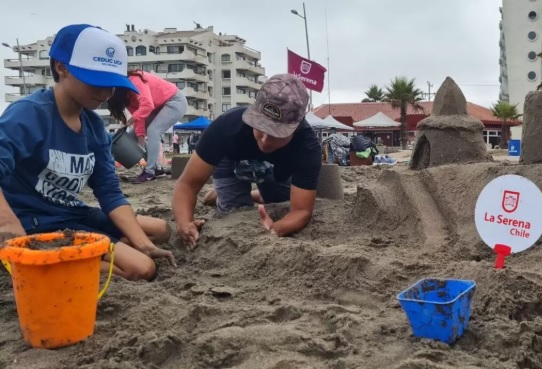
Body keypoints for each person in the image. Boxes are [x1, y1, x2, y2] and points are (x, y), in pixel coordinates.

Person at [0, 24, 175, 281]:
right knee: (141, 268)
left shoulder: (93, 126)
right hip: (34, 221)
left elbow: (109, 191)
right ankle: (42, 261)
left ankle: (103, 247)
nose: (106, 92)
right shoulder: (29, 114)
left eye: (113, 84)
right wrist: (7, 224)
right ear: (62, 67)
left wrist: (141, 243)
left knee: (160, 230)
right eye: (97, 81)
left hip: (72, 212)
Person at [172, 74, 322, 247]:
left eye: (276, 133)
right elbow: (187, 184)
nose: (265, 140)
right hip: (232, 160)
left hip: (277, 171)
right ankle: (226, 193)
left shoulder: (307, 147)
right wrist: (184, 223)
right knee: (234, 212)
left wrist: (276, 228)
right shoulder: (227, 127)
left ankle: (249, 194)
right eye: (260, 127)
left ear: (295, 128)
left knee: (280, 204)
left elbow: (301, 210)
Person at [107, 69, 187, 183]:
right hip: (157, 107)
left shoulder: (134, 80)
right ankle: (157, 169)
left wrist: (129, 122)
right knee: (132, 135)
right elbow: (140, 119)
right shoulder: (126, 97)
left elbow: (147, 105)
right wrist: (140, 139)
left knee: (154, 130)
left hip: (174, 101)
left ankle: (150, 172)